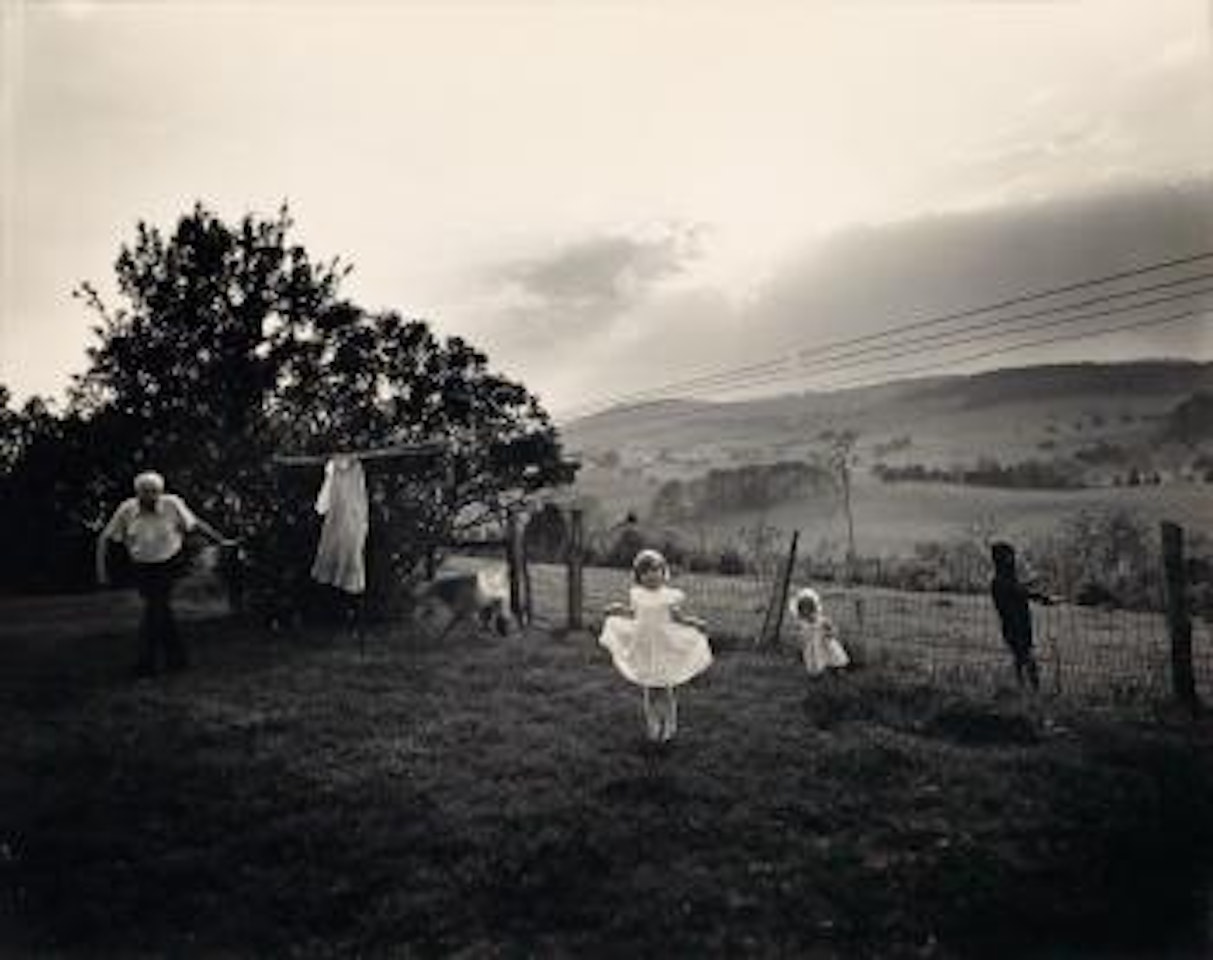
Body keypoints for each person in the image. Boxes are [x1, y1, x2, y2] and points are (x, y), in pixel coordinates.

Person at [95, 471, 232, 676]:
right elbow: (106, 538)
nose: (150, 497)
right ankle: (177, 659)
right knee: (160, 611)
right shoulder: (127, 509)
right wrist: (102, 571)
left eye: (154, 492)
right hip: (142, 566)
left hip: (168, 563)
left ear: (160, 492)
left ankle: (145, 663)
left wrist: (220, 539)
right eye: (145, 493)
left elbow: (195, 524)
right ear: (137, 493)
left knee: (154, 609)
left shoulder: (172, 504)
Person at [598, 549, 713, 744]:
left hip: (664, 646)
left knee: (666, 688)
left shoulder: (669, 596)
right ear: (639, 577)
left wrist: (696, 623)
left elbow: (679, 618)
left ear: (663, 573)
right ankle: (652, 724)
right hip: (644, 646)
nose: (651, 576)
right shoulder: (637, 594)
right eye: (646, 572)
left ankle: (670, 724)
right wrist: (616, 609)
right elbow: (633, 613)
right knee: (649, 689)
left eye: (656, 571)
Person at [989, 541, 1053, 691]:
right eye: (1009, 556)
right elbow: (1020, 592)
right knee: (1026, 658)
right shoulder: (1001, 581)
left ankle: (1023, 689)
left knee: (1021, 658)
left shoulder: (1005, 580)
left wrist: (1033, 588)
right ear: (1002, 558)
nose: (1013, 559)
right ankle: (1032, 691)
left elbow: (1019, 591)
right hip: (1015, 627)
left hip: (1018, 625)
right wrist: (1042, 598)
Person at [789, 586, 849, 677]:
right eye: (803, 610)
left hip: (824, 642)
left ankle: (838, 668)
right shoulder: (802, 623)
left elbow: (832, 627)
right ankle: (818, 673)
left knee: (832, 655)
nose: (807, 612)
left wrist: (830, 633)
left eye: (809, 609)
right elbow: (799, 633)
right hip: (812, 646)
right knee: (815, 660)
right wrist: (799, 637)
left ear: (813, 608)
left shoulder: (821, 620)